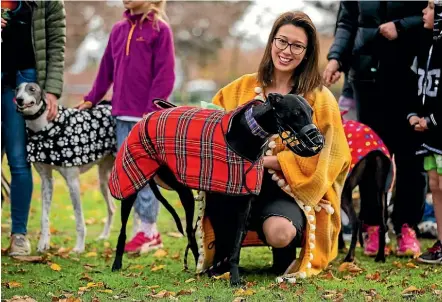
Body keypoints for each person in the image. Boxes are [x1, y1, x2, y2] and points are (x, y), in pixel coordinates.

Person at [197, 11, 351, 278]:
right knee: (220, 207)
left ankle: (286, 252)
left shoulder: (320, 98)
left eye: (297, 45)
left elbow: (331, 157)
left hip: (286, 191)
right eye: (282, 41)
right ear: (271, 42)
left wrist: (267, 160)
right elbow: (213, 134)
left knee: (280, 234)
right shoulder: (239, 88)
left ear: (307, 51)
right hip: (236, 188)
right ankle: (223, 257)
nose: (286, 51)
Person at [323, 1, 427, 257]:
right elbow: (347, 21)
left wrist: (401, 27)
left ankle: (405, 226)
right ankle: (372, 226)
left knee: (410, 158)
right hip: (365, 77)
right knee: (369, 157)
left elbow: (434, 12)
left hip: (410, 76)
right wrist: (337, 57)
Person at [78, 0, 175, 253]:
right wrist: (91, 98)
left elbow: (165, 74)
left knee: (142, 173)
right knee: (130, 175)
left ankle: (149, 231)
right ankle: (141, 228)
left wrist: (152, 111)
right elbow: (106, 69)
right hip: (120, 114)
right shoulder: (119, 29)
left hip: (144, 118)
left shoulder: (159, 30)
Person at [1, 0, 66, 256]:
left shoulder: (48, 2)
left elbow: (56, 45)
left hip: (24, 83)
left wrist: (51, 90)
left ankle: (19, 235)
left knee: (18, 159)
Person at [407, 0, 441, 264]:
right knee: (435, 185)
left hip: (437, 128)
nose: (424, 12)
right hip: (428, 133)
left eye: (430, 7)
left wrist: (432, 119)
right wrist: (413, 116)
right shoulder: (424, 45)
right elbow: (412, 85)